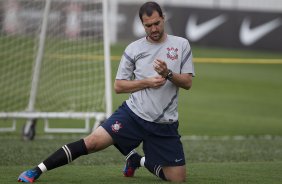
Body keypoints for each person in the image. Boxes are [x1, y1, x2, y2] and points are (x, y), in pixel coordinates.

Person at [17, 1, 194, 182]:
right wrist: (146, 82)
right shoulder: (133, 49)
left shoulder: (181, 45)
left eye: (157, 23)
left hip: (164, 125)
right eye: (148, 26)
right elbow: (119, 86)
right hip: (133, 115)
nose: (154, 29)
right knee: (92, 142)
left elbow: (187, 83)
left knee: (177, 179)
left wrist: (168, 74)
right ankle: (36, 170)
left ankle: (136, 160)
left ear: (163, 18)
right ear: (143, 25)